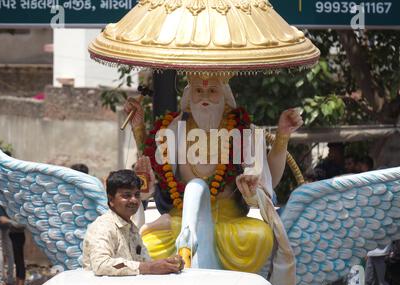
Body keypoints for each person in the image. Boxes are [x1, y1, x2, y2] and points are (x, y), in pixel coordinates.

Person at [123, 75, 303, 274]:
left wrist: (281, 138)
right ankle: (178, 232)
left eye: (212, 91)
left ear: (225, 95)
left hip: (228, 223)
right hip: (182, 220)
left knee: (260, 237)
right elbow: (151, 171)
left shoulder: (242, 131)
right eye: (198, 91)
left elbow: (267, 183)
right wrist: (138, 127)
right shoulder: (173, 129)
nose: (204, 97)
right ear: (189, 96)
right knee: (146, 244)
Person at [82, 169, 184, 276]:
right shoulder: (103, 227)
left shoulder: (132, 229)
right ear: (111, 200)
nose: (134, 200)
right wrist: (149, 267)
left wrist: (169, 264)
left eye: (137, 194)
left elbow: (144, 263)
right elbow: (101, 264)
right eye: (127, 195)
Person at [0, 215, 26, 285]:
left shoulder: (20, 208)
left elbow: (22, 224)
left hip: (18, 235)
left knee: (20, 262)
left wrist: (7, 221)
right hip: (13, 234)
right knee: (17, 262)